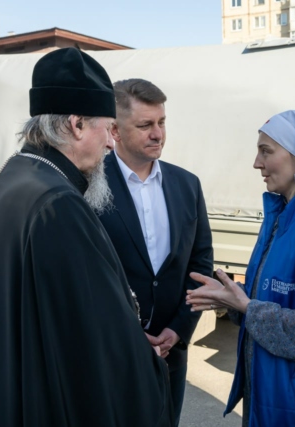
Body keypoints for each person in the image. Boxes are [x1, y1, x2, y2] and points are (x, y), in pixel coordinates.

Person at [0, 48, 174, 427]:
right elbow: (90, 337)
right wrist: (143, 361)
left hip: (12, 385)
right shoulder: (57, 203)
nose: (111, 144)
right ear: (77, 124)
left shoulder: (12, 176)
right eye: (107, 128)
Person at [186, 110, 295, 427]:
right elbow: (266, 299)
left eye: (266, 151)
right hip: (272, 395)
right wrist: (232, 297)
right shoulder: (281, 216)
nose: (257, 163)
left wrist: (246, 307)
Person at [97, 78, 213, 426]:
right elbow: (87, 276)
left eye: (162, 122)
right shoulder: (88, 185)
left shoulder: (187, 184)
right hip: (112, 355)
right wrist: (128, 336)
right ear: (115, 131)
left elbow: (200, 263)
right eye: (145, 125)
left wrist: (178, 329)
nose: (158, 134)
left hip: (169, 353)